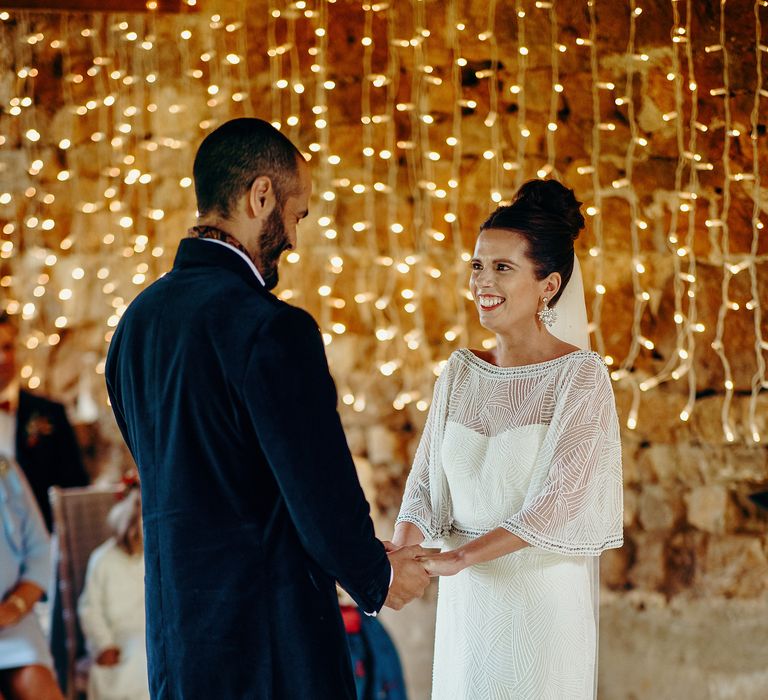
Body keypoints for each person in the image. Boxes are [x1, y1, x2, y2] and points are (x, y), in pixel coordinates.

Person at [105, 118, 431, 699]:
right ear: (261, 196)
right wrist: (378, 575)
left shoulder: (135, 326)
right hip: (269, 649)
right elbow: (316, 489)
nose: (295, 240)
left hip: (178, 646)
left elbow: (185, 479)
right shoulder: (272, 330)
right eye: (296, 215)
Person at [393, 179, 624, 699]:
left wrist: (459, 558)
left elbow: (559, 503)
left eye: (502, 267)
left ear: (549, 285)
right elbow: (425, 485)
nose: (482, 281)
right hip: (468, 606)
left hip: (539, 607)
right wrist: (400, 554)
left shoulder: (579, 376)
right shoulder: (459, 372)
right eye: (477, 265)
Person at [0, 312, 88, 533]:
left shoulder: (50, 413)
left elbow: (74, 488)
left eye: (8, 347)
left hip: (43, 542)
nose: (3, 358)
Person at [78, 475, 149, 700]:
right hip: (120, 639)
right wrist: (104, 644)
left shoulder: (155, 559)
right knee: (138, 661)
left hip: (151, 630)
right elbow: (90, 609)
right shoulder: (103, 559)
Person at [0, 457, 64, 700]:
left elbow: (39, 550)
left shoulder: (5, 468)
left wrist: (15, 607)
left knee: (40, 688)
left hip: (14, 621)